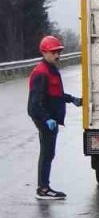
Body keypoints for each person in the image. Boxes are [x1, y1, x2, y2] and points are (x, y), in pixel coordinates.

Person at [27, 35, 82, 200]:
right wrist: (46, 119)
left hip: (51, 119)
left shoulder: (51, 69)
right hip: (45, 120)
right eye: (53, 52)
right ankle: (43, 189)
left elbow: (55, 94)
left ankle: (44, 187)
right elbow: (34, 104)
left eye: (58, 52)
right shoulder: (41, 73)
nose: (57, 56)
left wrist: (71, 99)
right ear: (44, 52)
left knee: (49, 153)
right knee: (47, 153)